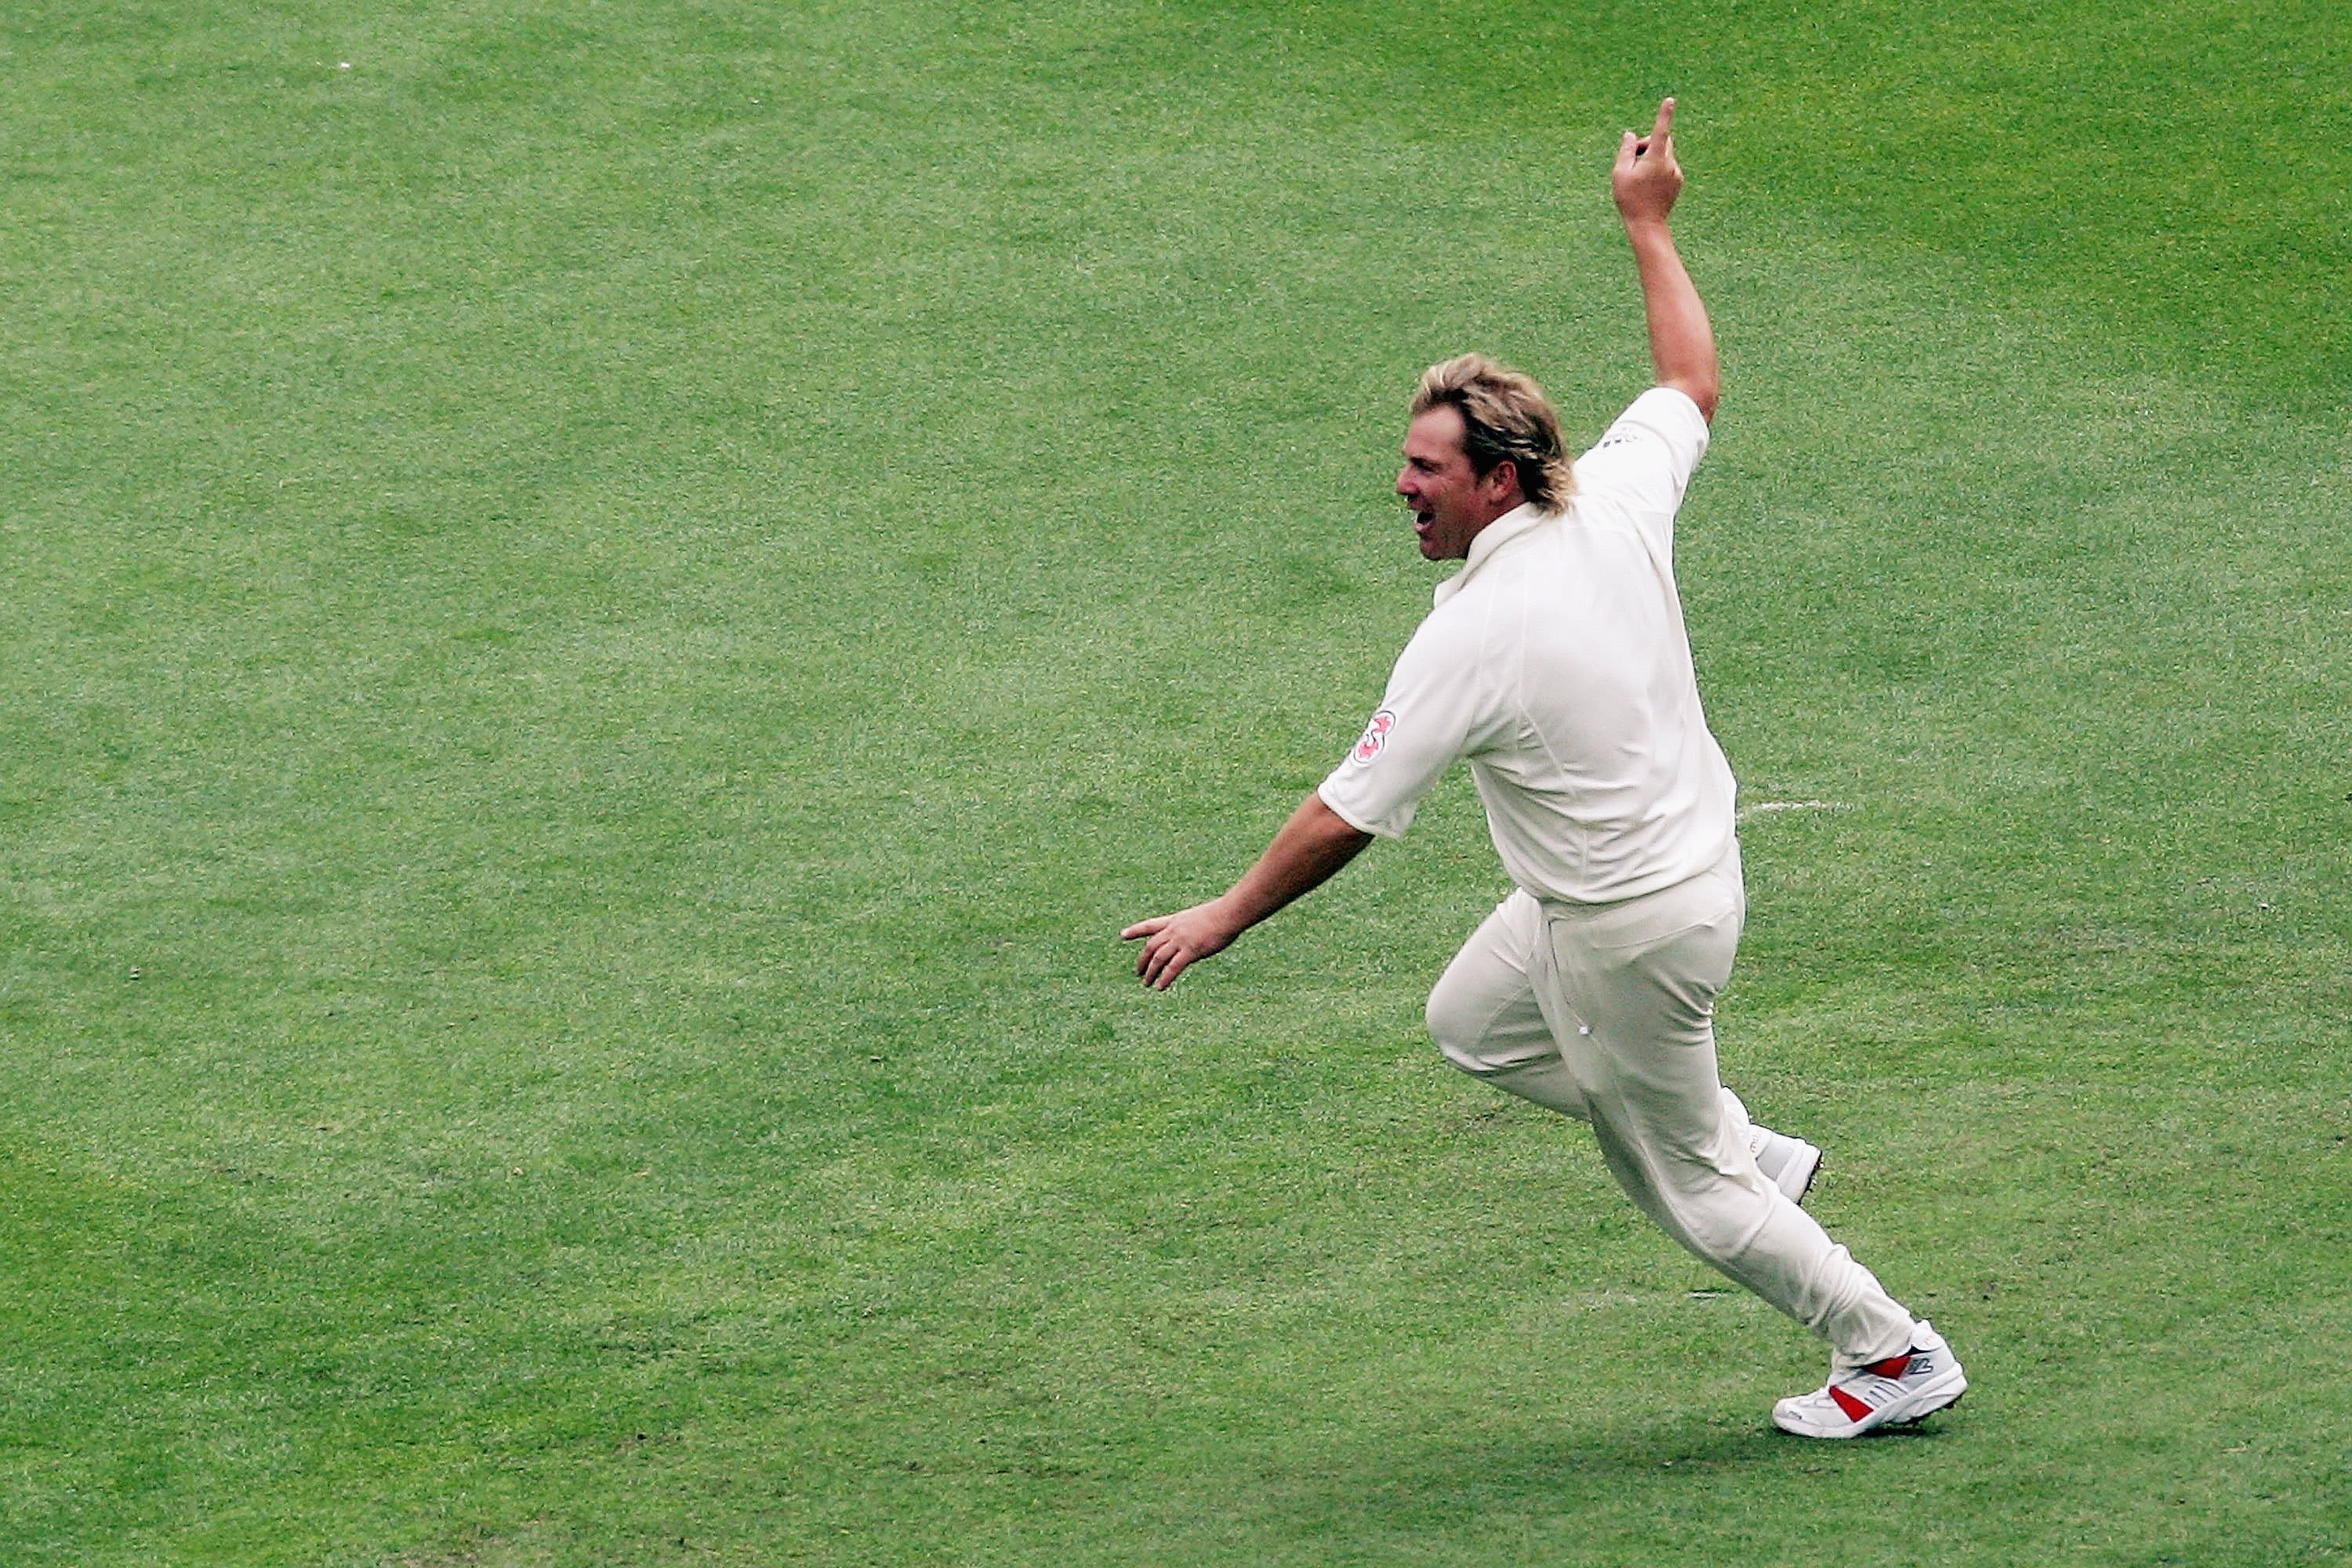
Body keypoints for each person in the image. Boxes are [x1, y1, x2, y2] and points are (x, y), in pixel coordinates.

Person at [1120, 100, 1965, 1439]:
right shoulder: (1615, 494)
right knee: (1472, 1022)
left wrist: (1225, 915)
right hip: (1659, 886)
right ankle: (1744, 1144)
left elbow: (1349, 810)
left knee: (1677, 1180)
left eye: (1425, 470)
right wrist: (1649, 223)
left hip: (1627, 931)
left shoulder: (1478, 633)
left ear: (1500, 482)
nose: (1403, 487)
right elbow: (1690, 382)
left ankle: (1891, 1350)